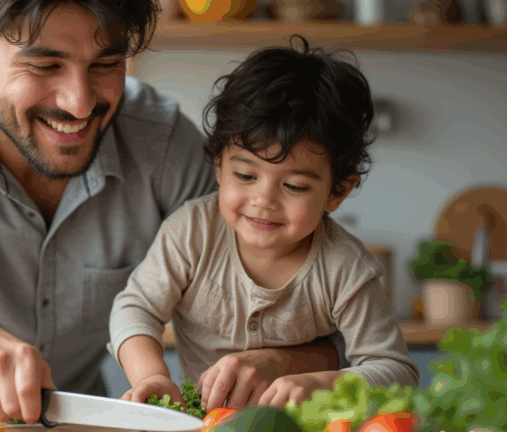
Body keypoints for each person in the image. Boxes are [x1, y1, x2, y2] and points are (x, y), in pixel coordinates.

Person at [0, 0, 345, 424]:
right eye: (45, 64)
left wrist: (277, 362)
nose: (79, 103)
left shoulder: (164, 146)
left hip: (82, 421)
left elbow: (309, 327)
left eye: (106, 65)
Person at [109, 36, 421, 414]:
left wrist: (323, 383)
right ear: (219, 166)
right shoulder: (191, 231)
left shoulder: (347, 268)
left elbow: (397, 371)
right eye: (245, 175)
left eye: (294, 186)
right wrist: (151, 378)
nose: (264, 200)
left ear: (337, 192)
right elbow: (134, 308)